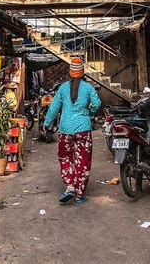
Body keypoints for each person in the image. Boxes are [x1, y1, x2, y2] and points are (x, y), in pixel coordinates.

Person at [44, 57, 101, 205]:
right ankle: (79, 194)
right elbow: (97, 104)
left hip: (65, 130)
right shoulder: (88, 88)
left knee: (65, 157)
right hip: (83, 129)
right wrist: (89, 112)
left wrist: (47, 122)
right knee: (82, 160)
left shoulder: (62, 88)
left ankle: (70, 186)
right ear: (82, 73)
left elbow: (54, 107)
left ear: (70, 72)